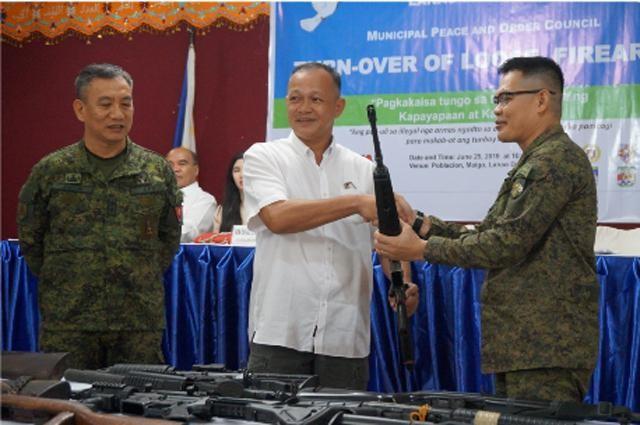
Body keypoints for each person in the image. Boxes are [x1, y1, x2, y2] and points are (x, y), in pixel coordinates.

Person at [374, 57, 599, 402]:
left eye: (506, 98)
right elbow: (489, 234)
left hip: (546, 347)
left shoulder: (553, 161)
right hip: (527, 345)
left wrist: (420, 250)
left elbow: (504, 245)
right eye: (496, 100)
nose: (497, 109)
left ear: (541, 99)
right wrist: (419, 224)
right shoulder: (535, 161)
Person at [243, 62, 418, 390]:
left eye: (315, 99)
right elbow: (278, 218)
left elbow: (388, 242)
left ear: (338, 107)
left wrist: (403, 281)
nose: (303, 108)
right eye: (295, 99)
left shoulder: (364, 169)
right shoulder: (263, 157)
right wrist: (354, 202)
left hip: (344, 335)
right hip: (281, 331)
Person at [17, 63, 182, 370]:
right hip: (70, 320)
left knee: (137, 409)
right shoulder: (51, 171)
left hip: (137, 320)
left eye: (126, 103)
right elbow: (31, 239)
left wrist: (136, 272)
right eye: (105, 104)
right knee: (68, 408)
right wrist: (70, 281)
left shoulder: (156, 171)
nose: (117, 114)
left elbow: (168, 238)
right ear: (80, 109)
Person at [166, 147, 217, 242]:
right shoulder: (156, 196)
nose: (175, 169)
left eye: (182, 163)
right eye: (170, 165)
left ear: (196, 170)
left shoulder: (205, 200)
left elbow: (188, 234)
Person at [213, 152, 247, 233]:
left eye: (246, 169)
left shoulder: (266, 207)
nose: (241, 175)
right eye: (237, 170)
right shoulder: (222, 210)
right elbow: (216, 241)